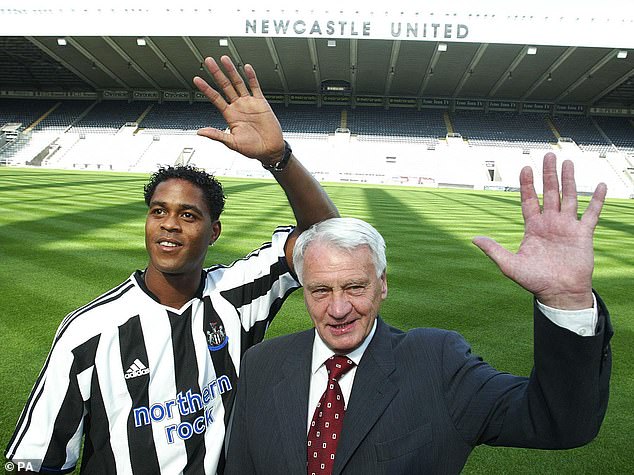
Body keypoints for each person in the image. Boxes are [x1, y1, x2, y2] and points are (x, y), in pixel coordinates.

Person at [4, 56, 338, 474]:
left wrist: (278, 158)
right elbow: (37, 460)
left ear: (213, 232)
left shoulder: (238, 293)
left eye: (188, 215)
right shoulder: (89, 331)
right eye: (159, 211)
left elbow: (326, 239)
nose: (170, 225)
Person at [224, 154, 613, 475]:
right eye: (321, 291)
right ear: (303, 291)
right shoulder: (262, 364)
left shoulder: (436, 363)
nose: (339, 309)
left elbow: (559, 422)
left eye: (356, 287)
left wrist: (565, 298)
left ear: (383, 285)